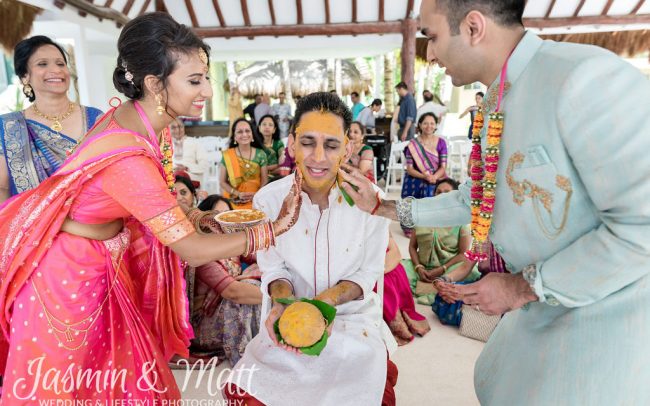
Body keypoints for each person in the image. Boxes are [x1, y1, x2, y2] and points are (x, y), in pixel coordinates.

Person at [339, 0, 650, 404]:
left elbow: (642, 227)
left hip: (607, 327)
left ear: (472, 27)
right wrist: (382, 207)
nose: (430, 54)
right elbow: (476, 198)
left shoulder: (583, 78)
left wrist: (520, 288)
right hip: (539, 315)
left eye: (432, 37)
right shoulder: (496, 98)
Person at [0, 13, 302, 402]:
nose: (207, 91)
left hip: (100, 264)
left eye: (205, 78)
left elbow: (158, 203)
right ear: (154, 84)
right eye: (195, 80)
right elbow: (190, 249)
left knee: (130, 384)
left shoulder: (144, 123)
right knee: (63, 391)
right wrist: (272, 229)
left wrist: (200, 215)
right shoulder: (129, 156)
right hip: (63, 282)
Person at [224, 92, 397, 406]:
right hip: (288, 316)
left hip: (351, 323)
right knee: (248, 391)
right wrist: (281, 305)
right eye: (307, 142)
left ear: (347, 148)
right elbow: (275, 269)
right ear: (291, 145)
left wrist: (322, 305)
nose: (318, 157)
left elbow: (367, 273)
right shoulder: (269, 199)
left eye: (331, 145)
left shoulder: (371, 199)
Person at [0, 35, 103, 203]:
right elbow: (2, 189)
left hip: (99, 221)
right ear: (25, 76)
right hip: (34, 225)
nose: (56, 70)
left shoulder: (96, 118)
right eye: (42, 64)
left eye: (61, 63)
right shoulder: (9, 127)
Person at [181, 194, 263, 366]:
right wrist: (288, 299)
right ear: (204, 219)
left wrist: (253, 272)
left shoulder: (232, 245)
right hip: (204, 325)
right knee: (248, 290)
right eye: (217, 215)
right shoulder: (201, 254)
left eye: (227, 214)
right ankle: (246, 358)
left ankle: (265, 347)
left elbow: (265, 260)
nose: (223, 221)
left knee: (263, 279)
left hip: (223, 312)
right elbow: (234, 293)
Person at [405, 178, 480, 305]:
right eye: (438, 192)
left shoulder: (461, 223)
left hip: (448, 269)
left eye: (446, 193)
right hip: (422, 268)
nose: (441, 196)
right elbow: (412, 247)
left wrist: (442, 269)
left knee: (473, 272)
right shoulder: (421, 218)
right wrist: (418, 267)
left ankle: (425, 289)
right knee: (397, 269)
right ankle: (431, 289)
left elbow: (463, 254)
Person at [400, 113, 447, 236]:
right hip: (416, 176)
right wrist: (425, 176)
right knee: (414, 185)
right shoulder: (412, 144)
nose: (429, 126)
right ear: (420, 125)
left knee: (441, 188)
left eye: (432, 123)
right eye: (425, 123)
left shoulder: (441, 142)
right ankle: (410, 225)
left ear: (436, 125)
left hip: (436, 176)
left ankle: (431, 224)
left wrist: (434, 177)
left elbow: (443, 167)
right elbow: (409, 169)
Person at [382, 233, 430, 345]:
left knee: (393, 274)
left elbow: (395, 252)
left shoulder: (377, 220)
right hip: (360, 265)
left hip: (382, 264)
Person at [219, 118, 268, 209]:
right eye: (240, 132)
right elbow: (222, 182)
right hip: (233, 200)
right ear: (234, 136)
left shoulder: (261, 154)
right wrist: (238, 194)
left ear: (252, 134)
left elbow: (264, 180)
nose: (244, 134)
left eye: (247, 131)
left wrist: (257, 195)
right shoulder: (228, 155)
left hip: (256, 199)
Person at [170, 117, 209, 182]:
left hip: (190, 178)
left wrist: (187, 168)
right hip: (170, 179)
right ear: (168, 129)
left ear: (184, 127)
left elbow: (204, 166)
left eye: (180, 127)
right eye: (173, 128)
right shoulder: (164, 144)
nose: (177, 130)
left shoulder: (195, 142)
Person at [257, 114, 285, 181]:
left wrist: (268, 170)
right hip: (259, 175)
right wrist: (274, 167)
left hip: (276, 175)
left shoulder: (278, 143)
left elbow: (283, 161)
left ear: (274, 130)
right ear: (259, 128)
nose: (267, 127)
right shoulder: (255, 144)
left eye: (270, 125)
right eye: (264, 124)